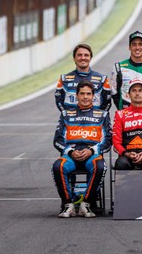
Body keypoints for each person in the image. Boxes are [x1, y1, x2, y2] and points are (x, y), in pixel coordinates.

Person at [52, 80, 110, 218]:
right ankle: (68, 204)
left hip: (92, 155)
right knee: (57, 166)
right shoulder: (66, 114)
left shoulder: (103, 115)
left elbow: (108, 141)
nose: (85, 97)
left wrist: (92, 150)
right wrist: (71, 151)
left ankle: (86, 204)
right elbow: (57, 140)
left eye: (88, 94)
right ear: (76, 95)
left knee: (101, 166)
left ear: (93, 96)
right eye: (82, 94)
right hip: (71, 156)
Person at [55, 42, 110, 112]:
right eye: (79, 55)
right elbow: (59, 101)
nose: (83, 58)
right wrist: (67, 117)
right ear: (74, 58)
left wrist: (98, 118)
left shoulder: (102, 79)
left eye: (86, 55)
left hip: (94, 122)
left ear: (90, 58)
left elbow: (107, 103)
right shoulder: (64, 79)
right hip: (71, 122)